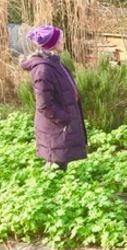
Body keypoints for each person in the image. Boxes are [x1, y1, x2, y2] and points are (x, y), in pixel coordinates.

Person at [20, 25, 87, 170]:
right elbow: (44, 105)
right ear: (52, 44)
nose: (63, 41)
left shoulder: (54, 63)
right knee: (54, 166)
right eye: (61, 39)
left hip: (60, 128)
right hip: (55, 129)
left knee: (60, 164)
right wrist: (65, 119)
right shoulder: (43, 69)